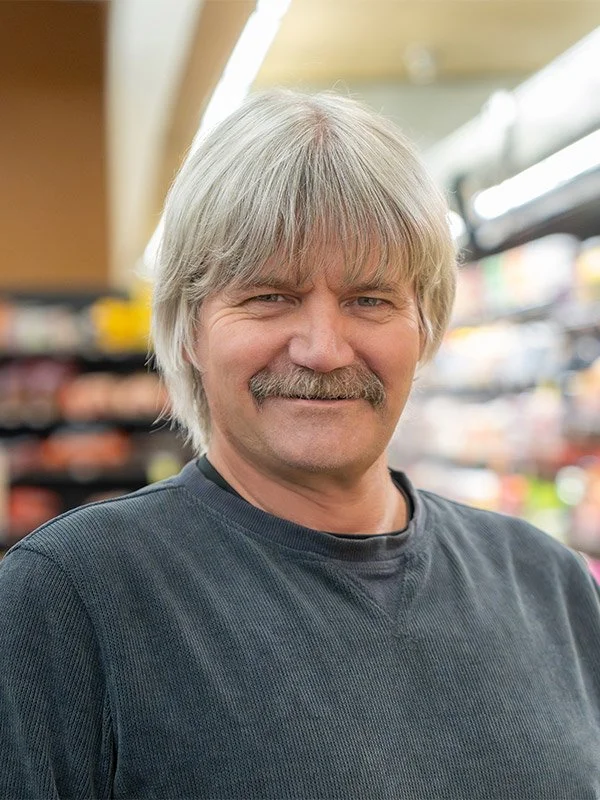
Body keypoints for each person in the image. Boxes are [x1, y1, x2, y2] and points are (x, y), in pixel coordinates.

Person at [1, 89, 599, 800]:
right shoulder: (68, 602)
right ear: (191, 328)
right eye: (270, 296)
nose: (322, 349)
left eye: (369, 299)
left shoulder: (549, 585)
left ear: (427, 325)